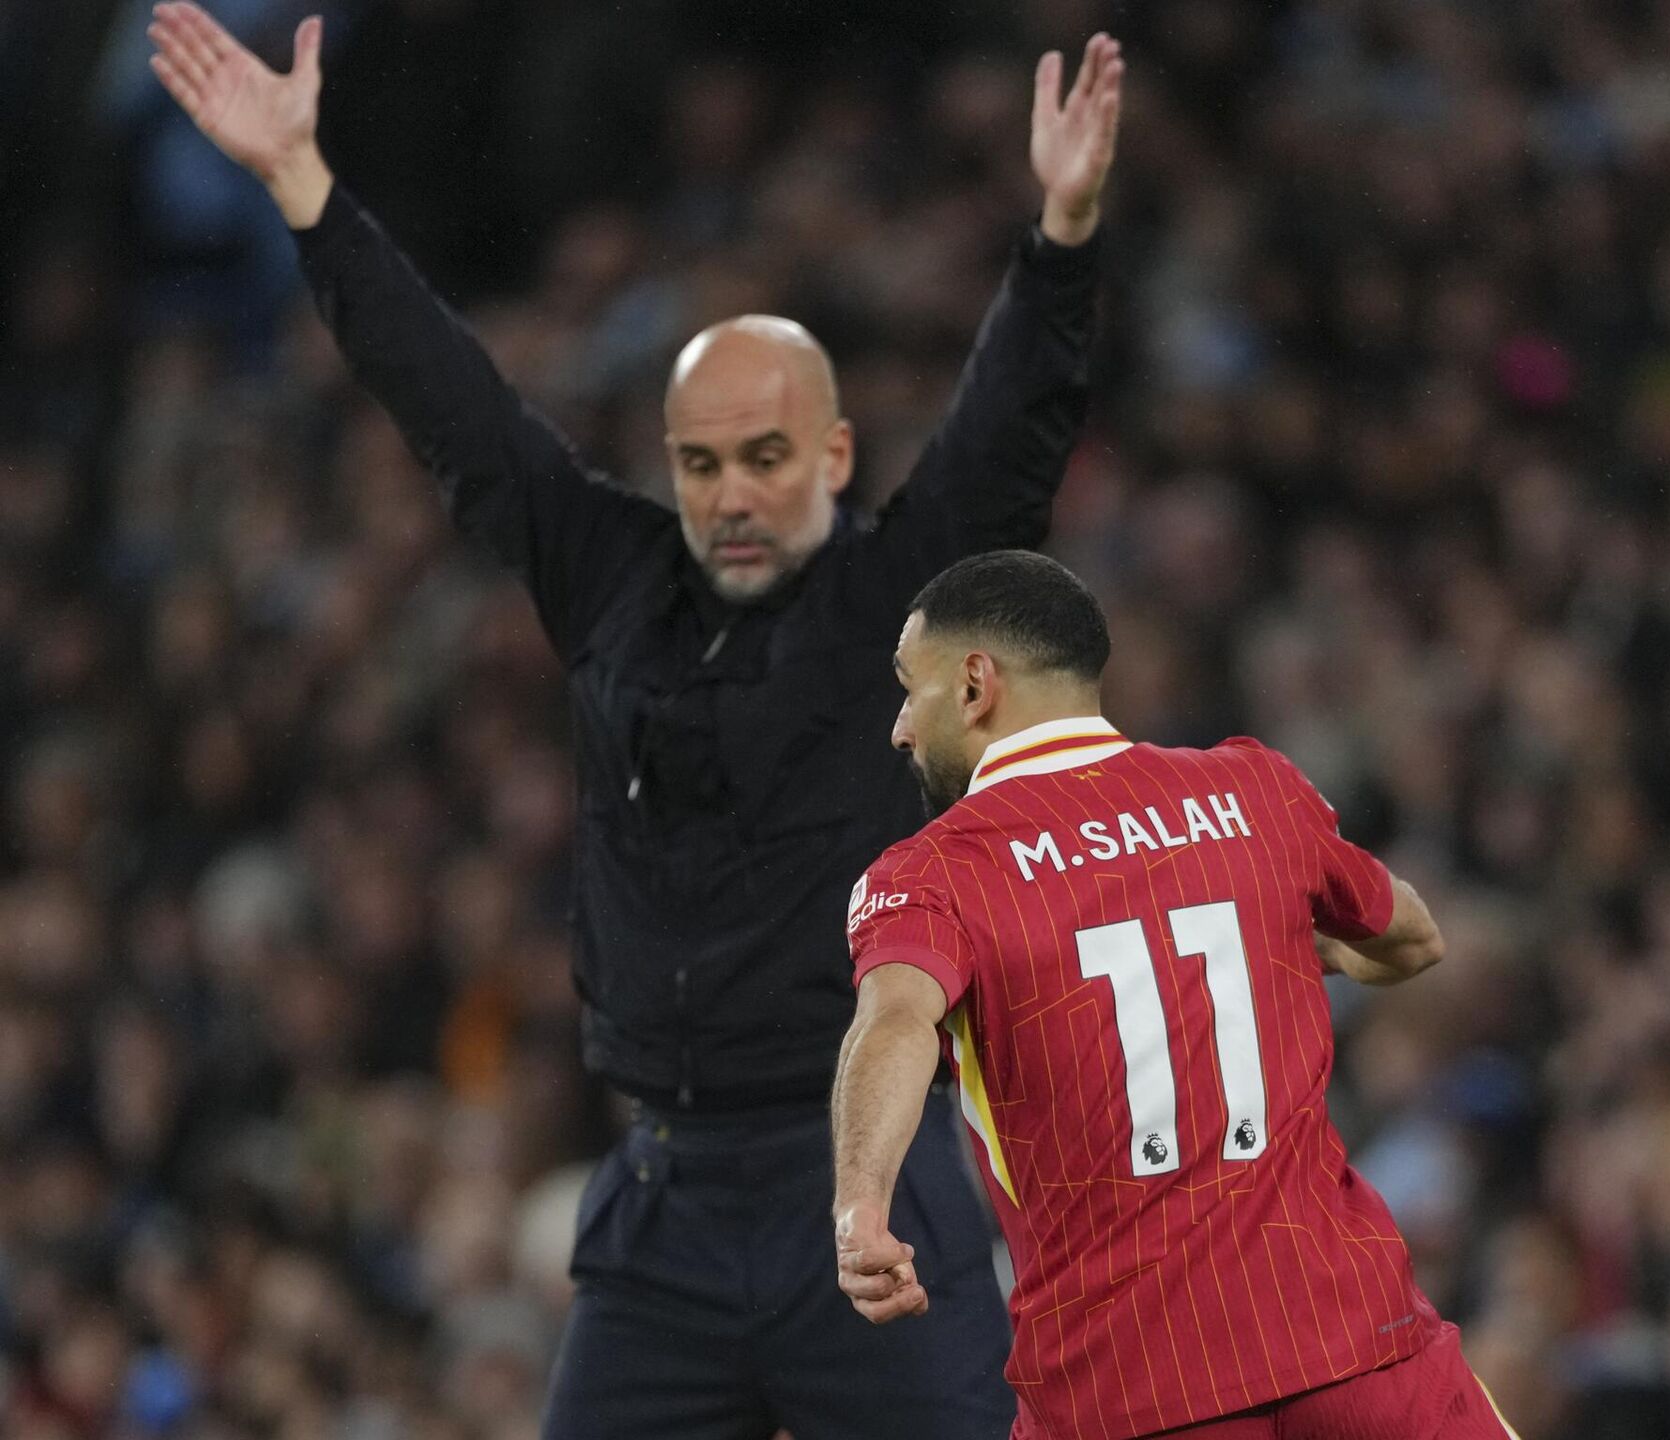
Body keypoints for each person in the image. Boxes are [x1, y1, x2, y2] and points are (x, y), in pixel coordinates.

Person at [146, 6, 1123, 1437]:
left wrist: (1064, 231)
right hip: (663, 1207)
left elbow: (1009, 432)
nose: (732, 496)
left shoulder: (898, 603)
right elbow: (457, 411)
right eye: (702, 464)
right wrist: (304, 187)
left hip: (863, 1181)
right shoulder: (610, 579)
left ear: (835, 455)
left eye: (767, 457)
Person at [833, 550, 1523, 1439]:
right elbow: (1415, 937)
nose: (900, 729)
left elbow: (895, 1019)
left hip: (1129, 1387)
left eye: (908, 689)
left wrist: (861, 1205)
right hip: (1357, 1347)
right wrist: (1299, 948)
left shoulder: (933, 874)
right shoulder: (1252, 788)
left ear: (974, 685)